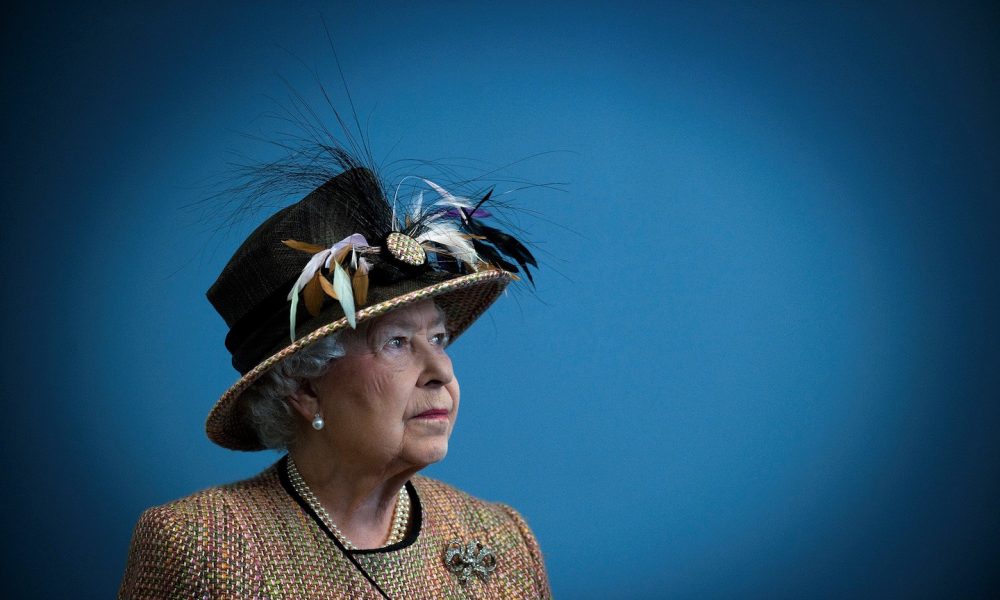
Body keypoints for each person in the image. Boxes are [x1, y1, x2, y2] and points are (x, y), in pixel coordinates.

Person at [119, 161, 550, 598]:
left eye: (437, 338)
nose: (442, 372)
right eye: (396, 342)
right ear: (305, 388)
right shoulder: (201, 546)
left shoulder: (504, 538)